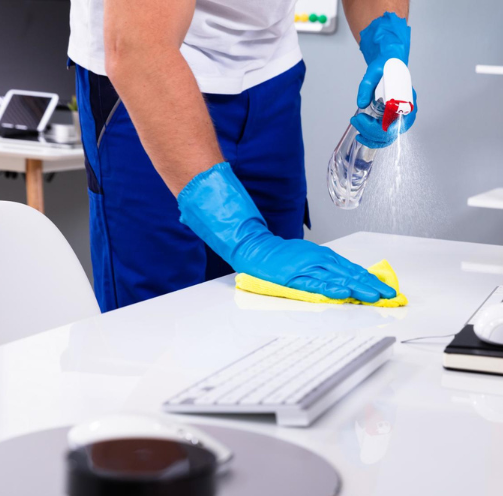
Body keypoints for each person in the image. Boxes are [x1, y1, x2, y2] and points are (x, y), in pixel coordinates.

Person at [67, 0, 418, 312]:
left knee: (275, 308)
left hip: (269, 74)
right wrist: (246, 239)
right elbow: (139, 48)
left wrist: (387, 43)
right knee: (156, 322)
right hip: (148, 71)